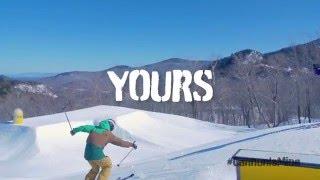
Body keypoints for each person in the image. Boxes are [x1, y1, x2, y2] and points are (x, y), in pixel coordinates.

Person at [70, 118, 137, 180]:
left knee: (95, 169)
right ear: (111, 126)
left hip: (87, 155)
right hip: (96, 154)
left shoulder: (94, 128)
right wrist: (131, 144)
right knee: (107, 165)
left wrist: (74, 130)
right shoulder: (108, 134)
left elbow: (84, 127)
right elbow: (120, 142)